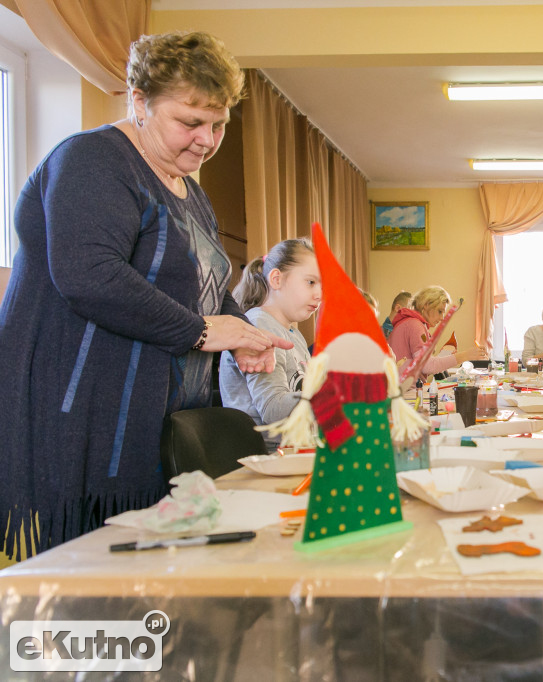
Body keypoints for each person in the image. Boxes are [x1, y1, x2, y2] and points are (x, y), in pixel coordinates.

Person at [0, 31, 291, 561]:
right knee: (93, 590)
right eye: (190, 122)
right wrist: (204, 332)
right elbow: (89, 274)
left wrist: (241, 335)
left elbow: (204, 288)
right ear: (139, 101)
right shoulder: (92, 160)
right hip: (85, 418)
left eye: (219, 124)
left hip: (158, 421)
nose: (206, 140)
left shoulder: (190, 190)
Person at [221, 239, 320, 452]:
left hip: (295, 448)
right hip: (266, 455)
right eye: (311, 282)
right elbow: (273, 409)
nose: (319, 295)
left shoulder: (293, 333)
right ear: (276, 279)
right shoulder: (258, 324)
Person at [388, 285, 485, 379]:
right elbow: (428, 366)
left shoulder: (409, 323)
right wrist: (465, 355)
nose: (442, 318)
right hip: (406, 391)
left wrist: (444, 357)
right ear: (426, 305)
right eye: (440, 311)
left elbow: (423, 365)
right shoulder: (415, 325)